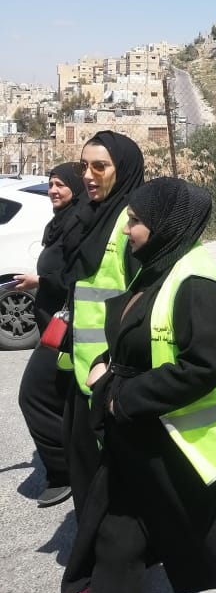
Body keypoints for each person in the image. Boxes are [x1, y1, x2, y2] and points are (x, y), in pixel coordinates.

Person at [61, 178, 216, 593]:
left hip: (190, 452)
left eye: (136, 222)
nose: (127, 231)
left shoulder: (198, 282)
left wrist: (119, 397)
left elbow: (202, 367)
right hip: (139, 446)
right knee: (117, 544)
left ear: (166, 224)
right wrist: (108, 364)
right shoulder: (155, 266)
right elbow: (137, 339)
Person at [59, 132, 145, 593]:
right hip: (78, 371)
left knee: (105, 488)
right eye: (84, 165)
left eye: (100, 167)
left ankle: (105, 580)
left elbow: (141, 300)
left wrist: (116, 369)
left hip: (109, 377)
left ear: (123, 168)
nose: (87, 176)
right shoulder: (89, 216)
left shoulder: (131, 222)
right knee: (86, 476)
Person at [16, 163, 84, 507]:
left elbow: (77, 277)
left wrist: (44, 281)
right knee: (64, 398)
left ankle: (63, 470)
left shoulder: (81, 223)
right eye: (50, 184)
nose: (53, 190)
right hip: (53, 323)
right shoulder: (59, 224)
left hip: (68, 326)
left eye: (60, 184)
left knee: (32, 395)